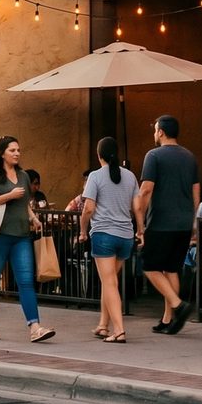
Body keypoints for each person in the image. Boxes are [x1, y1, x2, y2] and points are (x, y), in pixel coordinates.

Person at [0, 135, 54, 342]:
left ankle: (35, 327)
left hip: (21, 237)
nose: (17, 153)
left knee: (26, 281)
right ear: (1, 153)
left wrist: (34, 218)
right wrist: (9, 196)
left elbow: (25, 202)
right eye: (12, 150)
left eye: (18, 150)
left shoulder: (23, 176)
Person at [136, 115, 199, 335]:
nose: (154, 134)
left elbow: (146, 190)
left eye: (155, 130)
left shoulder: (153, 155)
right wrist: (193, 221)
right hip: (183, 222)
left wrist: (140, 220)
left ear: (160, 131)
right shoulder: (190, 157)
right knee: (171, 268)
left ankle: (178, 305)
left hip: (161, 222)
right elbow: (196, 192)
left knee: (149, 266)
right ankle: (168, 319)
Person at [77, 136, 140, 343]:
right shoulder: (130, 176)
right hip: (125, 236)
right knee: (109, 280)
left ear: (99, 155)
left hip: (104, 234)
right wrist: (141, 230)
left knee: (110, 282)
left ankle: (119, 330)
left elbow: (88, 208)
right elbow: (137, 207)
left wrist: (83, 231)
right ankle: (103, 325)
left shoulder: (95, 176)